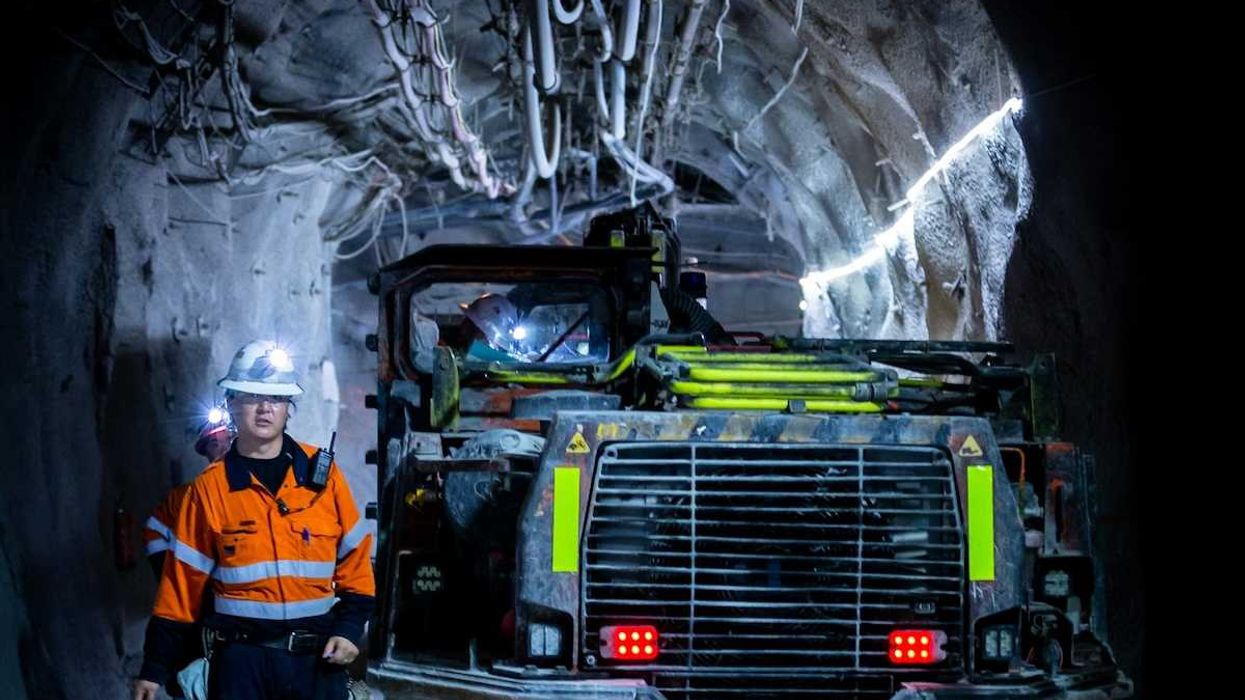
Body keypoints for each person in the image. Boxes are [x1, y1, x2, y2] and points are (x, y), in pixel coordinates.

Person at [135, 340, 375, 700]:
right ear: (232, 402)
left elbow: (356, 563)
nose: (265, 408)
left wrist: (350, 628)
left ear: (289, 408)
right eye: (252, 397)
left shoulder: (323, 478)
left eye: (277, 399)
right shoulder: (208, 491)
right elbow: (179, 593)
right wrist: (153, 670)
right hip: (241, 664)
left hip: (317, 662)